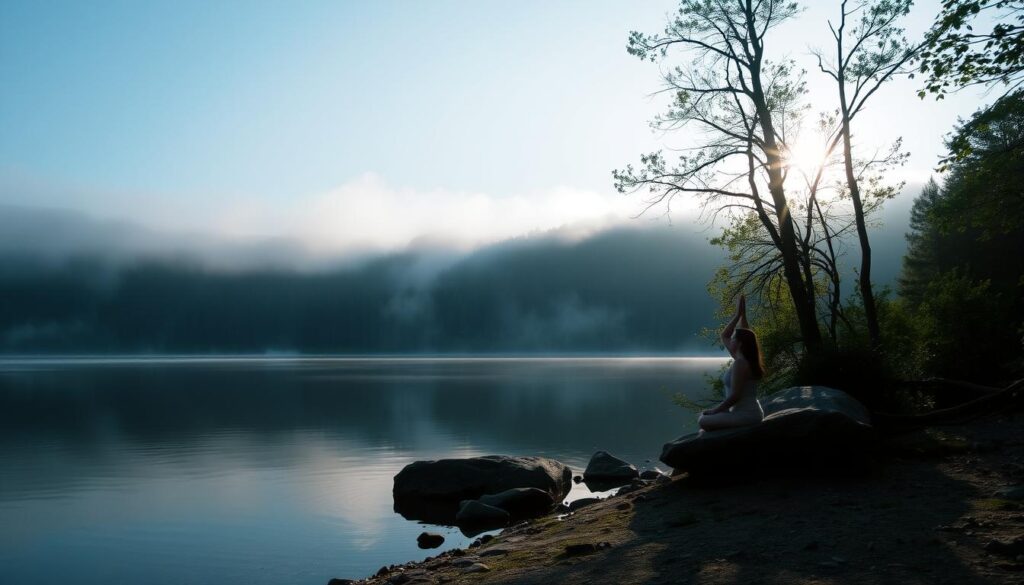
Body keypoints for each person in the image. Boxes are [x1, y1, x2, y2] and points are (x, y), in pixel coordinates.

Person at [698, 294, 766, 432]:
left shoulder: (741, 364)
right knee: (705, 416)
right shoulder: (744, 359)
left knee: (703, 420)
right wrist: (740, 315)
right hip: (748, 413)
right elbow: (726, 335)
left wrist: (715, 411)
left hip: (746, 415)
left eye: (734, 338)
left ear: (740, 343)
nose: (731, 340)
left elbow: (735, 395)